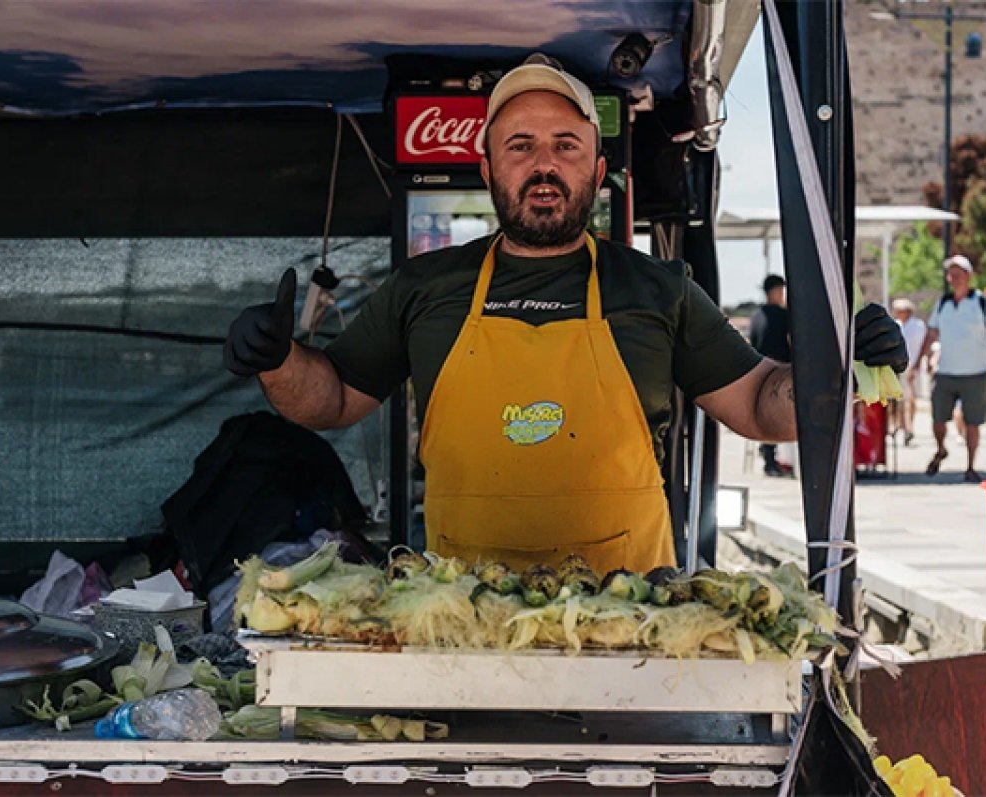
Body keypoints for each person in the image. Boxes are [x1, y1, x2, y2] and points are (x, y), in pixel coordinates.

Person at [223, 54, 909, 573]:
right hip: (460, 618)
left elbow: (762, 405)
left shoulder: (658, 288)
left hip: (632, 624)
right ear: (487, 165)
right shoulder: (423, 286)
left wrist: (839, 371)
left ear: (597, 166)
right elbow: (333, 396)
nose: (543, 165)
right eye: (520, 146)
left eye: (566, 145)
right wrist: (278, 361)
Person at [917, 255, 986, 483]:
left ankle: (970, 465)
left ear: (968, 276)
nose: (953, 278)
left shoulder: (983, 302)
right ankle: (940, 448)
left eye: (958, 274)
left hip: (976, 370)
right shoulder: (944, 303)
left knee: (973, 422)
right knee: (938, 417)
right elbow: (932, 332)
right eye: (951, 274)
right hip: (946, 369)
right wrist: (923, 357)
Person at [749, 275, 791, 476]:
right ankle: (769, 457)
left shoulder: (756, 316)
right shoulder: (782, 316)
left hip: (759, 370)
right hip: (779, 372)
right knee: (775, 415)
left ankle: (768, 454)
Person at [890, 297, 926, 446]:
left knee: (910, 398)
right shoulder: (895, 325)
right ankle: (898, 426)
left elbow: (922, 345)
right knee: (895, 399)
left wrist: (917, 364)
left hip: (912, 366)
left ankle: (909, 427)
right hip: (896, 367)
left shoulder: (918, 326)